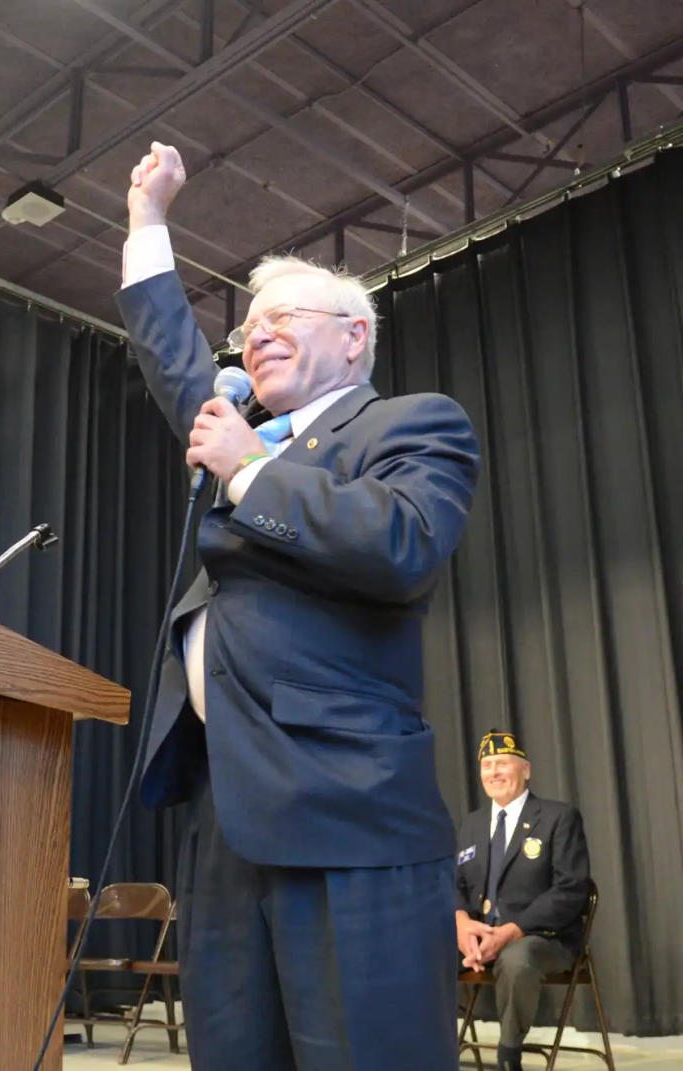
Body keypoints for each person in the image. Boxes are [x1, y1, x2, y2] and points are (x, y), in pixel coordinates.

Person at [116, 141, 480, 1071]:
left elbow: (401, 544)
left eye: (283, 316)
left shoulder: (411, 423)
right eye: (247, 324)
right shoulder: (245, 434)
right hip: (226, 817)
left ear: (355, 336)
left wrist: (249, 469)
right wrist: (148, 224)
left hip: (344, 813)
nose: (255, 334)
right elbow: (170, 358)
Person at [456, 730, 591, 1071]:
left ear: (526, 770)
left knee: (517, 959)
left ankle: (508, 1055)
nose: (494, 772)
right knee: (412, 948)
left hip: (543, 939)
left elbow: (571, 889)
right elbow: (453, 884)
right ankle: (424, 1050)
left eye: (503, 763)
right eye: (487, 764)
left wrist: (512, 930)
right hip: (480, 937)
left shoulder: (559, 817)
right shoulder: (471, 824)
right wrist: (461, 923)